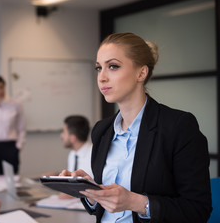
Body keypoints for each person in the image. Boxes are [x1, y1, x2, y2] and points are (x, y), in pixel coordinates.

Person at [60, 32, 212, 222]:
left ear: (141, 72)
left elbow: (198, 210)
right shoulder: (102, 130)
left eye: (113, 66)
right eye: (99, 68)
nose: (102, 77)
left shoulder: (178, 126)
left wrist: (136, 202)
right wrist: (92, 193)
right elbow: (104, 210)